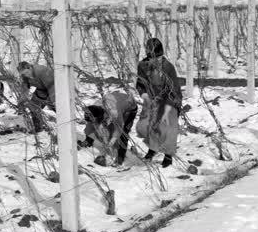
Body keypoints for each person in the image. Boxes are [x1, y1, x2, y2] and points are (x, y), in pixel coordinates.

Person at [135, 37, 182, 168]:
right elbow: (140, 83)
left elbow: (174, 90)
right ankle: (153, 148)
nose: (156, 60)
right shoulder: (143, 65)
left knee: (168, 126)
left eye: (158, 57)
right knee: (145, 126)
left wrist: (168, 110)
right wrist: (144, 95)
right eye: (153, 57)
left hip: (170, 99)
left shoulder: (168, 67)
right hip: (151, 99)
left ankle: (168, 155)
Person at [78, 90, 138, 166]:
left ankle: (120, 159)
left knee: (123, 133)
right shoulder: (94, 109)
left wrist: (111, 142)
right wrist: (92, 135)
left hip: (129, 108)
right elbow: (90, 126)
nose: (93, 122)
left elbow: (119, 129)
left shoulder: (114, 112)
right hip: (115, 102)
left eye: (95, 120)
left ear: (100, 116)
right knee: (97, 126)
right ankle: (88, 141)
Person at [17, 61, 54, 133]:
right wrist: (22, 100)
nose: (25, 75)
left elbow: (52, 86)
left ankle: (65, 126)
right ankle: (38, 128)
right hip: (41, 90)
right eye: (23, 74)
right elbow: (24, 88)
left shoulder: (41, 71)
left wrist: (54, 100)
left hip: (54, 90)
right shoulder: (24, 76)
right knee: (33, 106)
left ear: (29, 67)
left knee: (57, 108)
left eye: (26, 73)